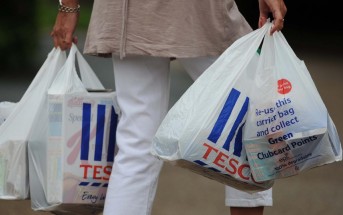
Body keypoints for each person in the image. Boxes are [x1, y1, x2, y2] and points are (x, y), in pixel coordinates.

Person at [51, 1, 287, 215]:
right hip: (195, 9)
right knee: (249, 120)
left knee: (136, 144)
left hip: (131, 12)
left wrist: (68, 7)